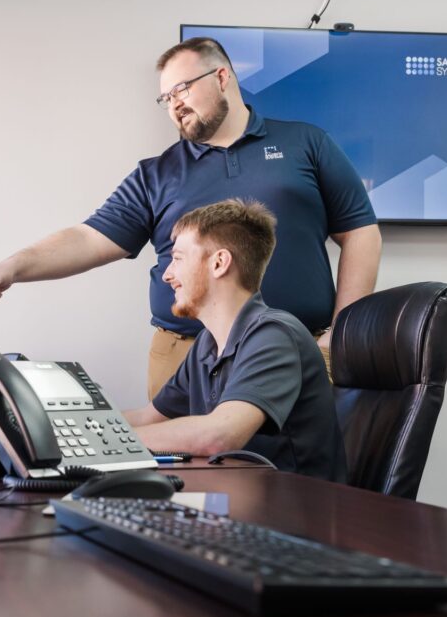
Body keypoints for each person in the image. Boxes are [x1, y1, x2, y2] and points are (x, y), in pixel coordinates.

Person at [0, 37, 381, 397]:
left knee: (291, 474)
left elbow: (361, 232)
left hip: (295, 348)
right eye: (166, 98)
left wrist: (339, 334)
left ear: (222, 76)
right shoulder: (157, 173)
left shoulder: (305, 143)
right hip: (183, 356)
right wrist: (12, 267)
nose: (175, 105)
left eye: (182, 89)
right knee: (179, 473)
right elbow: (88, 238)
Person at [125, 199, 345, 480]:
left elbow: (220, 435)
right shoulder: (207, 343)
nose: (167, 274)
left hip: (294, 511)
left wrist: (113, 441)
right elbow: (149, 417)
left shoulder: (274, 336)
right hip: (239, 497)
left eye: (178, 258)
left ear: (219, 263)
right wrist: (74, 430)